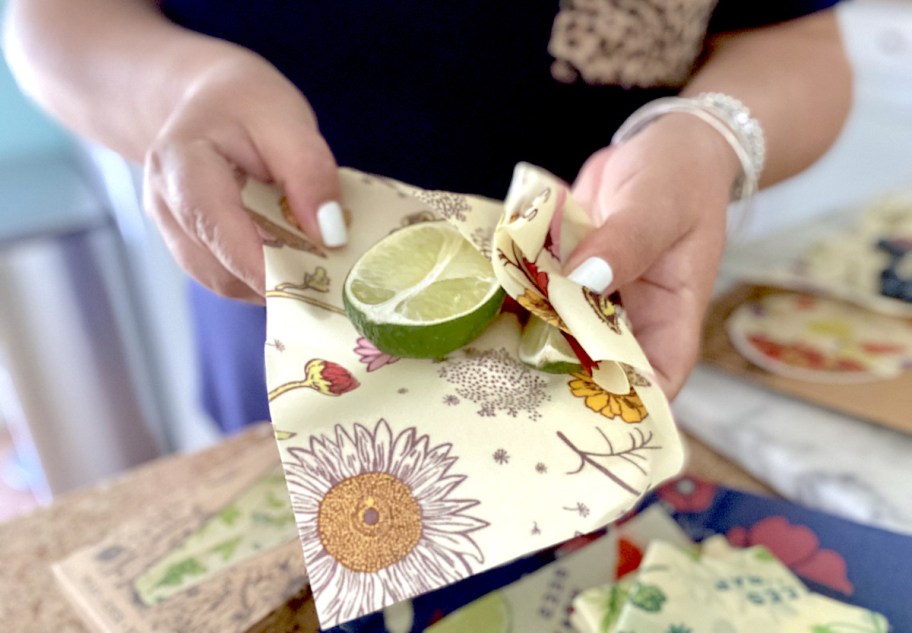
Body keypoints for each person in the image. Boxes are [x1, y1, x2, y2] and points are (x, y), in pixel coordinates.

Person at [2, 2, 852, 629]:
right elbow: (51, 18)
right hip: (290, 324)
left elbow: (802, 39)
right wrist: (182, 88)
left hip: (614, 318)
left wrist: (709, 132)